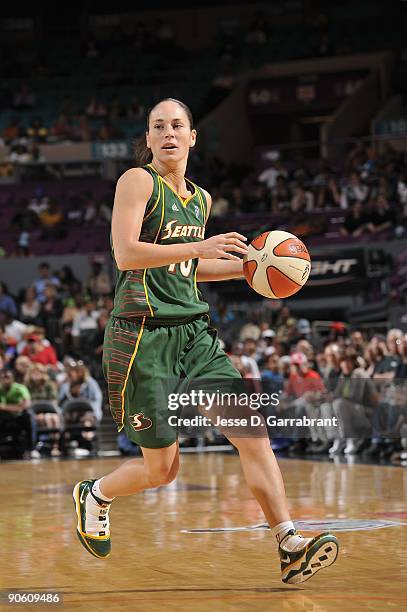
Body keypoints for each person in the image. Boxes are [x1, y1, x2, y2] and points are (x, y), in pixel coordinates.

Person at [73, 98, 338, 583]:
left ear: (193, 136)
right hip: (141, 338)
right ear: (149, 140)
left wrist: (251, 267)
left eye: (177, 125)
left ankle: (289, 542)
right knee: (162, 471)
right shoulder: (137, 182)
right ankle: (96, 494)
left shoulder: (201, 199)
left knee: (253, 437)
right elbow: (126, 254)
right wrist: (200, 246)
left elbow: (189, 267)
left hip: (194, 334)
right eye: (158, 126)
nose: (168, 133)